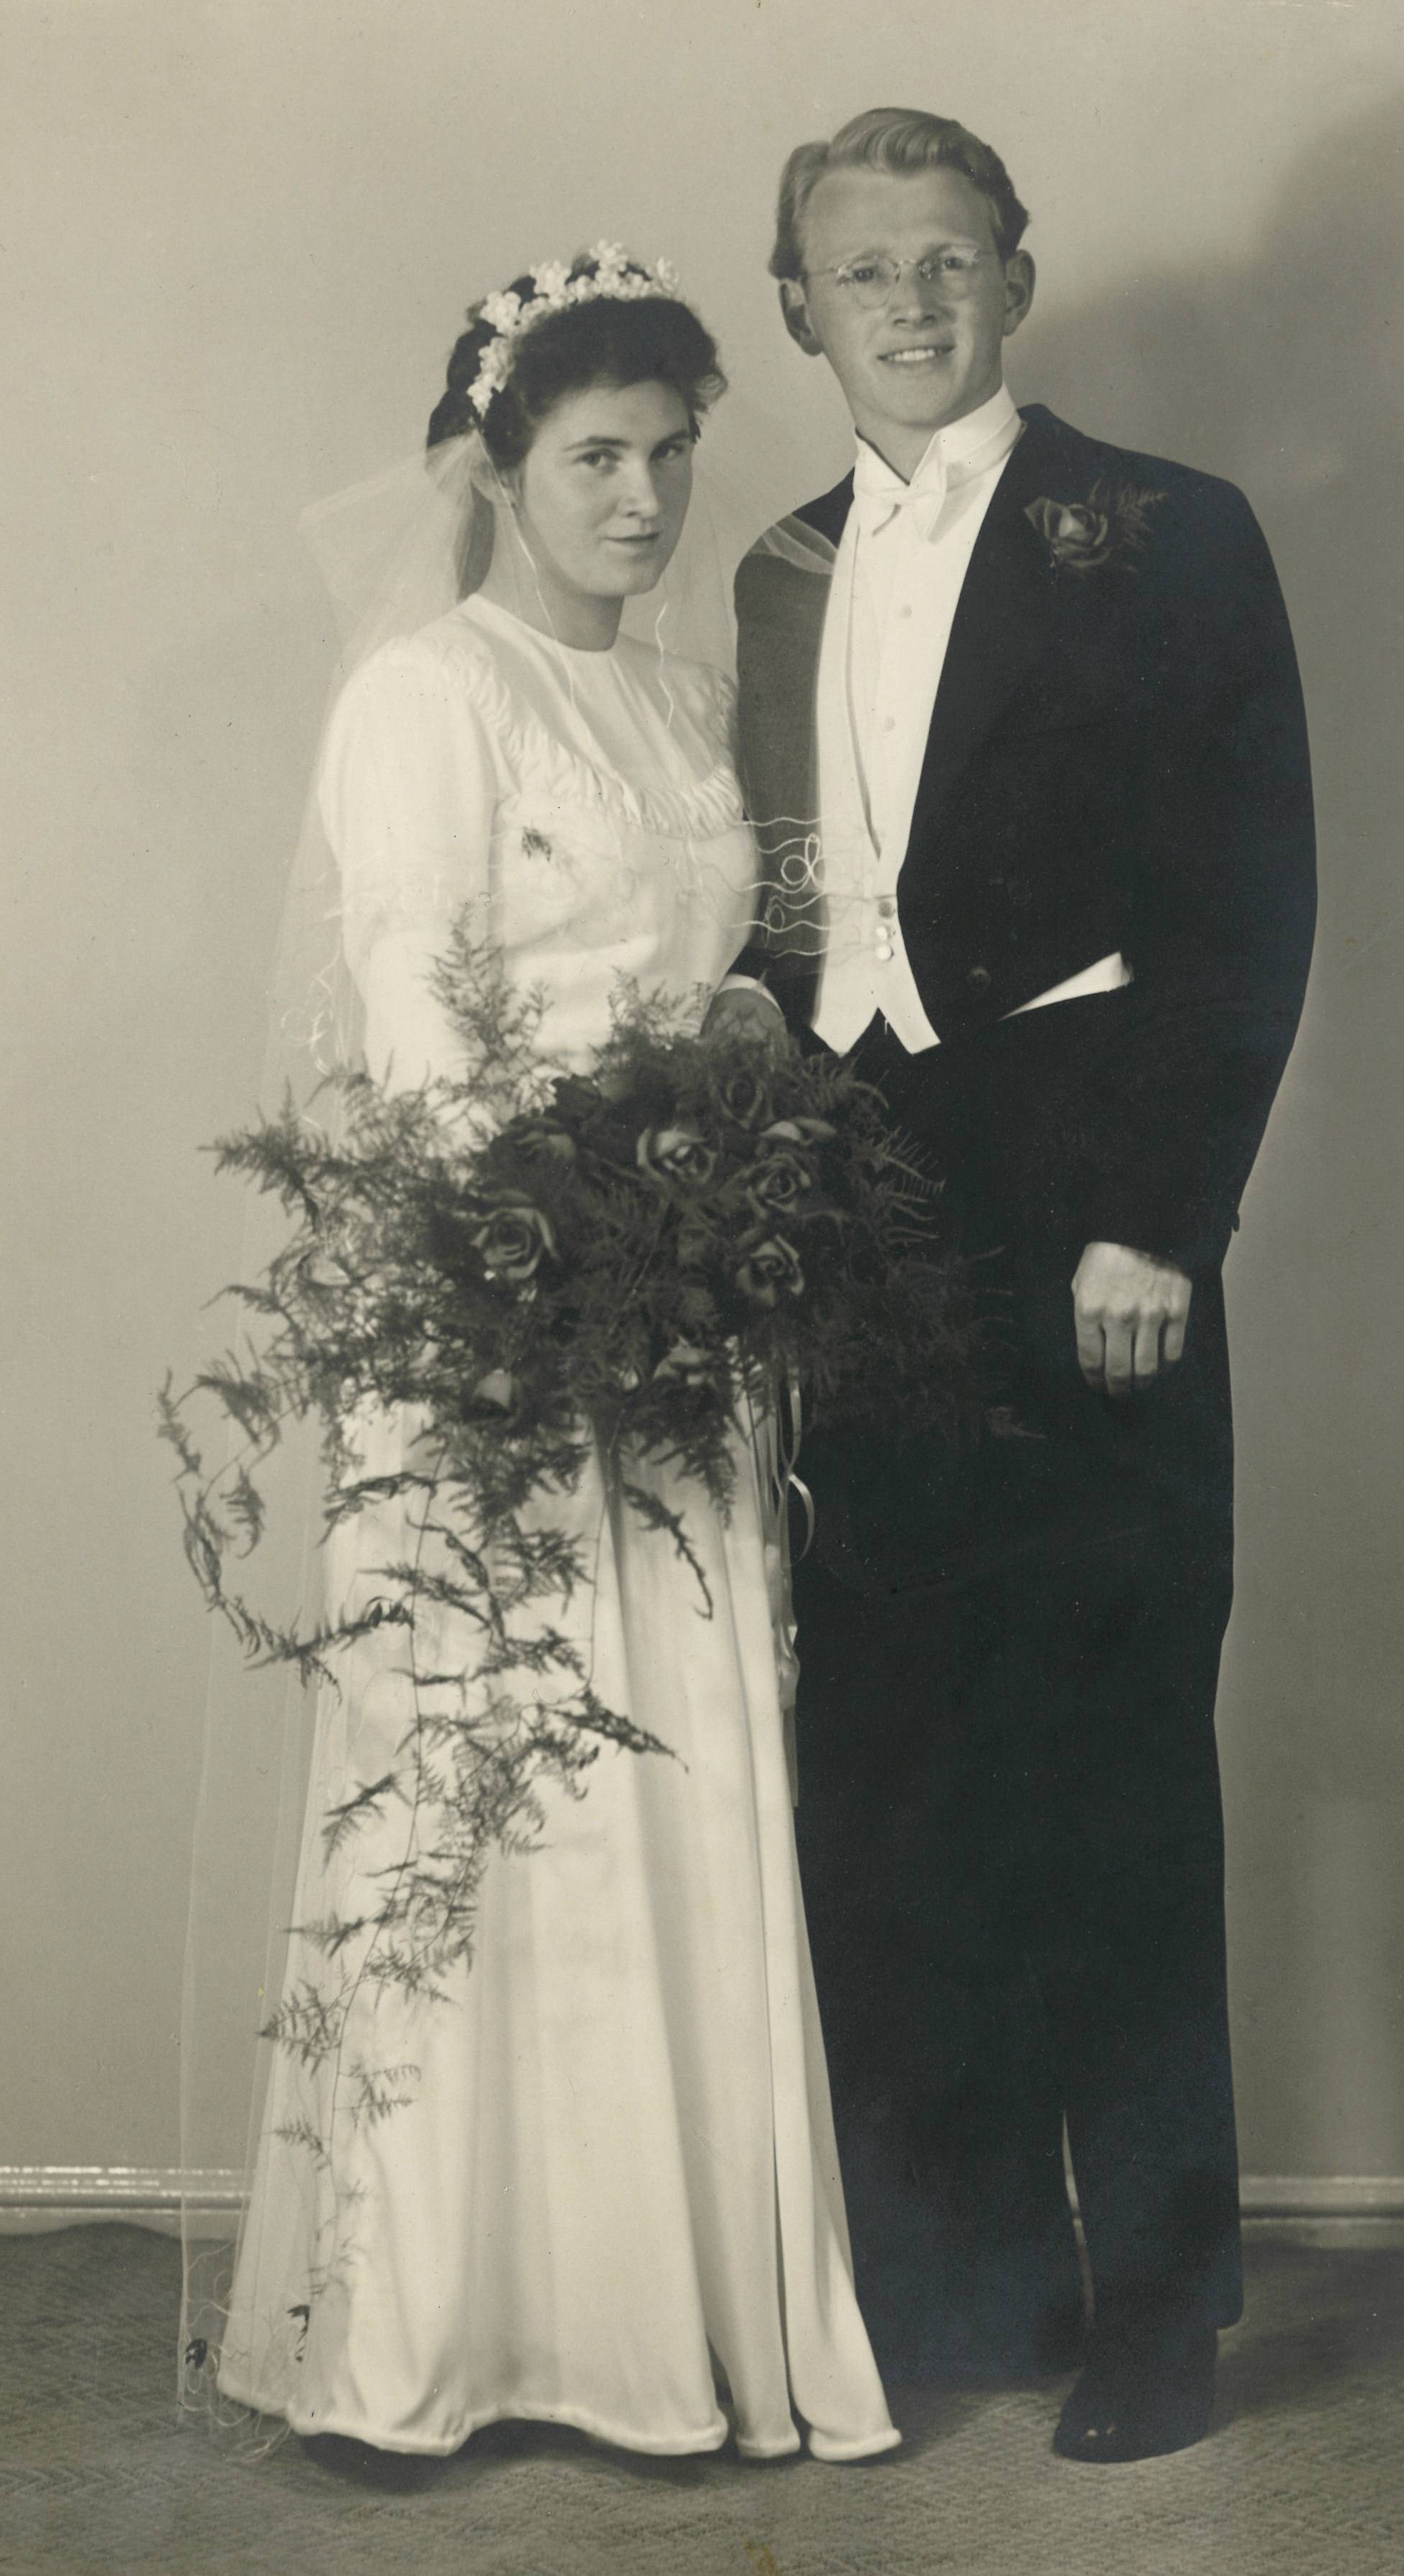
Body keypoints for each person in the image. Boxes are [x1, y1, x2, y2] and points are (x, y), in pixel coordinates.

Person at [193, 248, 898, 2465]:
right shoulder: (432, 691)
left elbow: (738, 976)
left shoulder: (687, 713)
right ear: (495, 468)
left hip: (680, 1326)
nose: (644, 498)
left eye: (674, 454)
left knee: (662, 1786)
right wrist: (583, 1222)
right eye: (596, 456)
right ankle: (454, 2336)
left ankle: (661, 2321)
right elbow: (418, 1027)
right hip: (509, 1313)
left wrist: (736, 1096)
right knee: (515, 1795)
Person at [709, 108, 1316, 2460]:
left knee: (1106, 1761)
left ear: (1018, 275)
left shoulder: (1166, 533)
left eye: (949, 260)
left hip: (1085, 1202)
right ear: (797, 306)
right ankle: (970, 2285)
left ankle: (1157, 2313)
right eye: (863, 272)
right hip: (843, 1205)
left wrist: (1161, 1211)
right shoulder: (768, 567)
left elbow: (1247, 896)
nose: (911, 305)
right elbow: (773, 911)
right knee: (885, 1753)